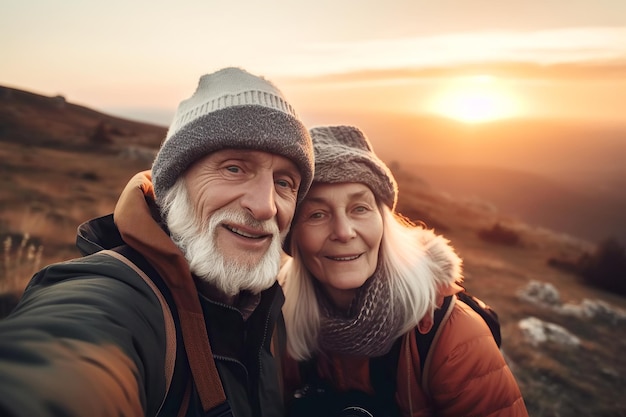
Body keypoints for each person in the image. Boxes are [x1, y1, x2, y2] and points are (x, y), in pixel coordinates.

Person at [0, 67, 314, 417]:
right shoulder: (117, 299)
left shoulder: (270, 310)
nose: (266, 205)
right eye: (234, 169)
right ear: (173, 185)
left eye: (284, 182)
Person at [280, 125, 528, 416]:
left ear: (384, 222)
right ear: (292, 235)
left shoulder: (450, 335)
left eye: (359, 208)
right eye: (317, 214)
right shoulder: (283, 320)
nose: (344, 232)